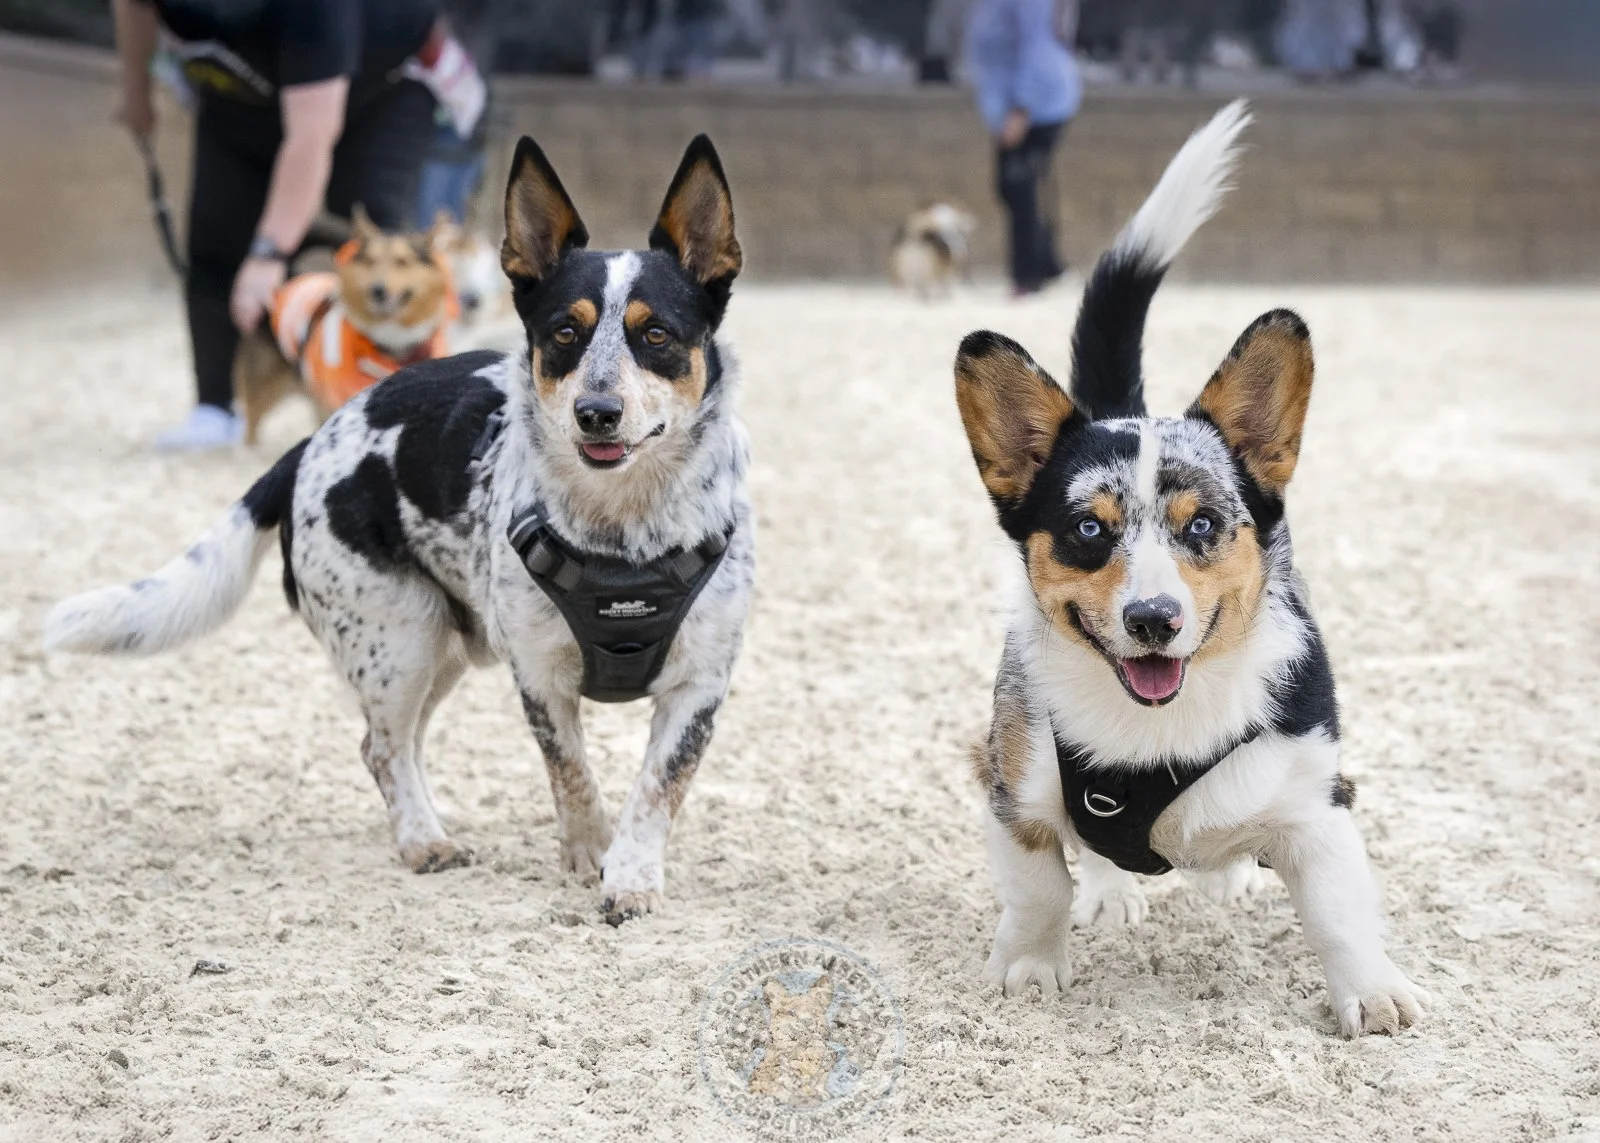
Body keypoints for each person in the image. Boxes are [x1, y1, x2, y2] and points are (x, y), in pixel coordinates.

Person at [113, 0, 441, 451]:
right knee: (215, 233)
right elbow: (133, 7)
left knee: (374, 228)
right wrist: (136, 92)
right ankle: (215, 406)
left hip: (381, 85)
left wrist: (269, 254)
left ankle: (397, 412)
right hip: (240, 99)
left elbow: (310, 135)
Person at [965, 0, 1082, 296]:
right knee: (1012, 186)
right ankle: (1049, 266)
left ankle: (1027, 277)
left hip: (1036, 106)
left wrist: (1021, 106)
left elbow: (1039, 49)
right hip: (1014, 106)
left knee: (1019, 186)